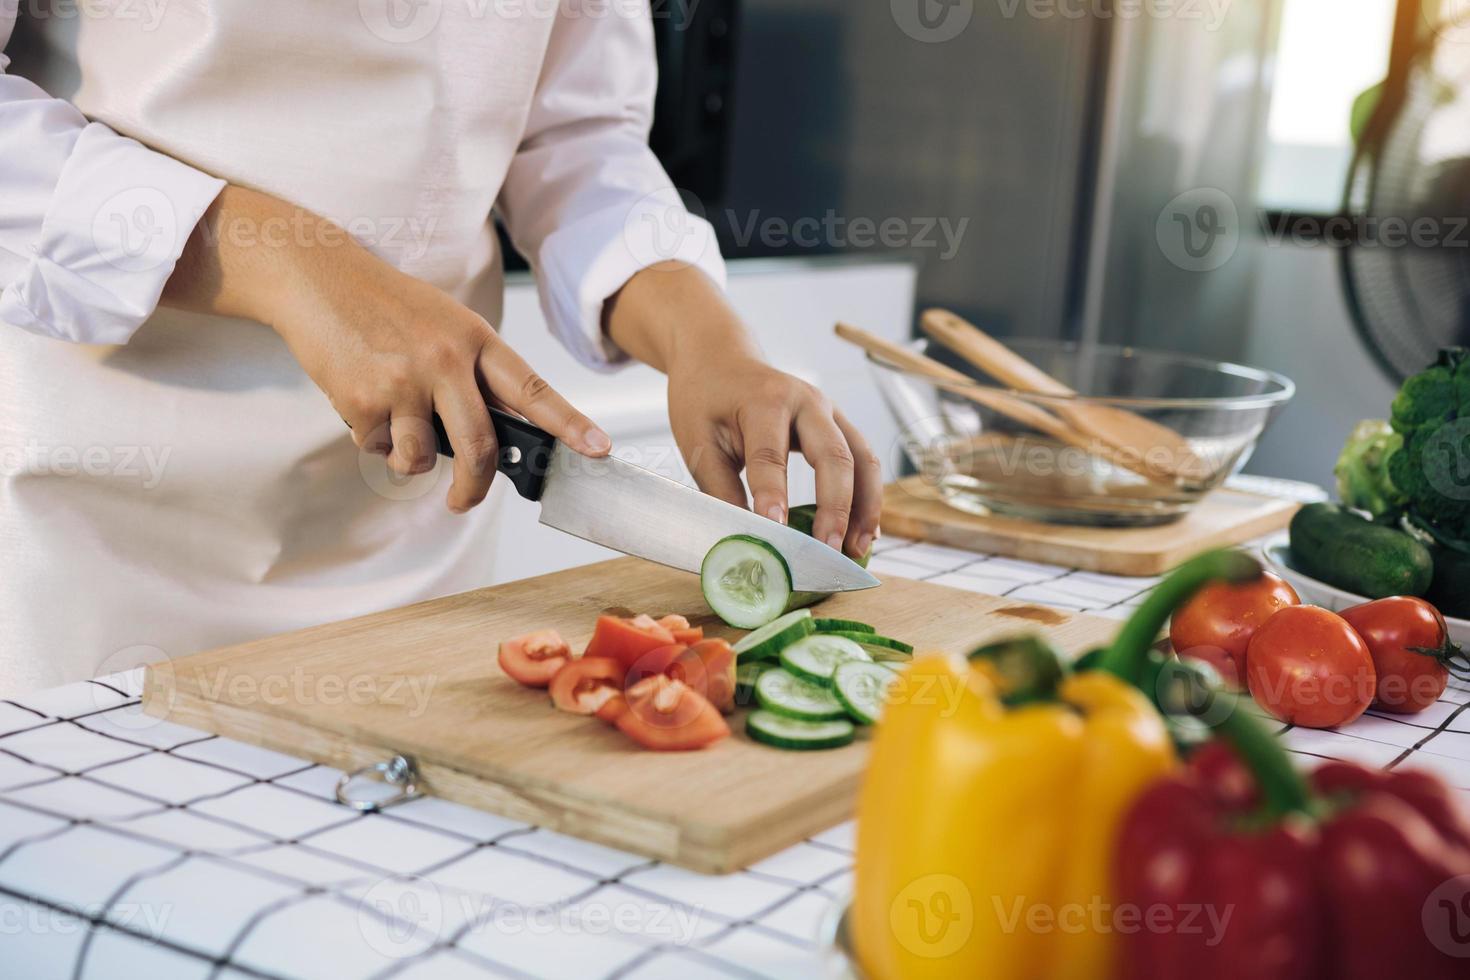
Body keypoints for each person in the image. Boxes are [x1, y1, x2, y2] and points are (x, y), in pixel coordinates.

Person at [0, 2, 881, 695]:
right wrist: (299, 268)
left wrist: (704, 339)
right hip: (94, 530)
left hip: (417, 521)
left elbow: (572, 136)